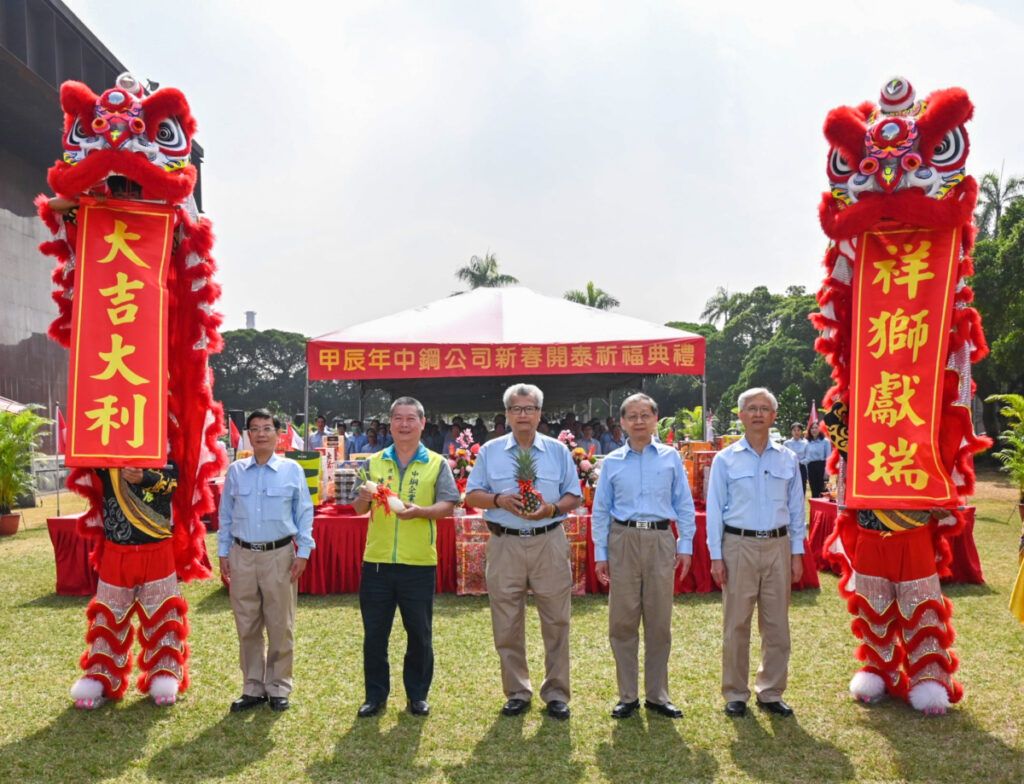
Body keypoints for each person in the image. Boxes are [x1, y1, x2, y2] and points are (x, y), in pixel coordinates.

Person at [465, 383, 581, 720]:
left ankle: (557, 692)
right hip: (505, 542)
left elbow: (574, 495)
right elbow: (472, 495)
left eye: (529, 408)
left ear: (540, 414)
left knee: (557, 619)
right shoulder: (490, 451)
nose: (523, 415)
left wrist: (551, 508)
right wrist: (499, 500)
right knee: (506, 621)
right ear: (506, 415)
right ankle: (517, 691)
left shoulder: (558, 452)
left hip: (548, 539)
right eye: (516, 409)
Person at [352, 397, 460, 718]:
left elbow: (449, 504)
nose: (404, 424)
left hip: (418, 564)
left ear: (422, 423)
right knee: (375, 634)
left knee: (419, 634)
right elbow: (359, 509)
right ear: (390, 423)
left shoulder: (437, 463)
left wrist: (421, 513)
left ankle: (417, 695)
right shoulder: (373, 463)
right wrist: (361, 495)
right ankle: (375, 695)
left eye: (410, 418)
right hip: (377, 563)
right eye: (398, 418)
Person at [592, 394, 696, 720]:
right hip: (622, 538)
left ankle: (657, 694)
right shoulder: (611, 462)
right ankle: (627, 696)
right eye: (631, 416)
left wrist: (686, 545)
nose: (638, 421)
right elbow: (601, 510)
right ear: (621, 423)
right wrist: (601, 553)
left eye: (645, 415)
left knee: (659, 620)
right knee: (622, 620)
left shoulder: (670, 458)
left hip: (661, 538)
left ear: (655, 419)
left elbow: (684, 504)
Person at [706, 388, 805, 719]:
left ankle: (771, 690)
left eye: (765, 408)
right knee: (736, 623)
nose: (759, 413)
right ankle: (735, 692)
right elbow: (715, 510)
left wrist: (796, 552)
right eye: (752, 408)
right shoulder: (726, 459)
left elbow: (796, 509)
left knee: (777, 624)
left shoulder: (788, 458)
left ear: (774, 416)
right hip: (738, 545)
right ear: (741, 415)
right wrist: (716, 556)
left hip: (777, 544)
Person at [69, 460, 189, 709]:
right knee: (108, 615)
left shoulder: (162, 450)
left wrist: (143, 477)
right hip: (116, 550)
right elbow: (82, 454)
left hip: (158, 549)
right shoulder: (106, 454)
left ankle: (164, 675)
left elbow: (172, 482)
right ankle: (100, 678)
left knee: (163, 613)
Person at [219, 409, 315, 713]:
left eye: (268, 428)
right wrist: (223, 553)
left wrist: (303, 552)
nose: (261, 434)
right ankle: (252, 687)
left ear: (278, 434)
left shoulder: (291, 470)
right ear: (248, 435)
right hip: (242, 554)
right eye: (255, 429)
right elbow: (225, 515)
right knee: (246, 624)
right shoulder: (236, 471)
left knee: (280, 624)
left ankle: (278, 686)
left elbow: (305, 513)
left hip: (279, 555)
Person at [783, 423, 809, 496]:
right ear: (791, 432)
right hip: (789, 468)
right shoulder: (787, 443)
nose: (796, 432)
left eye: (798, 430)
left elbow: (808, 457)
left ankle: (801, 505)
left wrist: (801, 462)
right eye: (794, 430)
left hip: (801, 467)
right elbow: (783, 456)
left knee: (802, 487)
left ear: (801, 431)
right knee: (790, 487)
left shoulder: (806, 443)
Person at [805, 426, 832, 498]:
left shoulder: (825, 441)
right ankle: (815, 508)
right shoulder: (807, 442)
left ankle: (823, 508)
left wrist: (827, 472)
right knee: (814, 490)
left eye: (816, 428)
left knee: (823, 490)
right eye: (812, 428)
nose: (814, 430)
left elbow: (828, 457)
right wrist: (806, 472)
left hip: (821, 466)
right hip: (811, 466)